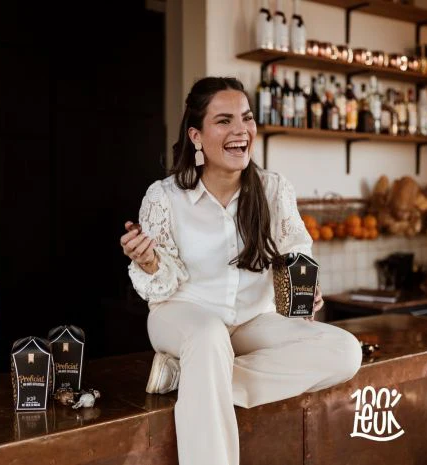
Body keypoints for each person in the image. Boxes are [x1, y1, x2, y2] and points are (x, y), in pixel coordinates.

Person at [120, 76, 362, 465]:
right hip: (181, 315)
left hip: (252, 321)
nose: (241, 130)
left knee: (344, 351)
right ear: (196, 136)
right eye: (224, 120)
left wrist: (303, 287)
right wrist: (148, 261)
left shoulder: (273, 189)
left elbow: (296, 252)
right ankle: (203, 374)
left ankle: (192, 377)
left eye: (247, 118)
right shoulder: (164, 196)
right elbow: (160, 286)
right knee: (208, 335)